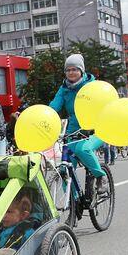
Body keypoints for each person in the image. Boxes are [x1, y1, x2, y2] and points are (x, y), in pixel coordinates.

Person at [49, 54, 108, 195]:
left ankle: (101, 177)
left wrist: (92, 126)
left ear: (81, 71)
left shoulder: (91, 86)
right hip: (74, 130)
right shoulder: (64, 89)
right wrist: (44, 118)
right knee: (64, 169)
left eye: (74, 69)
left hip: (97, 129)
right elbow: (53, 107)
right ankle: (74, 201)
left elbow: (103, 106)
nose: (71, 72)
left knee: (83, 149)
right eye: (68, 70)